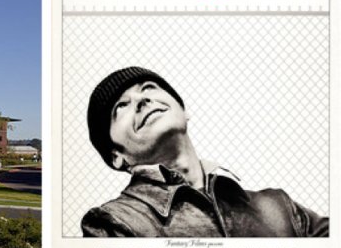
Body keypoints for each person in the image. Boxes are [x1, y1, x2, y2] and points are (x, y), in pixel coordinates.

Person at [82, 67, 329, 237]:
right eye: (121, 105)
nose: (141, 100)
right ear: (116, 156)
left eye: (148, 88)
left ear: (184, 111)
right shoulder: (111, 222)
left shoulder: (278, 206)